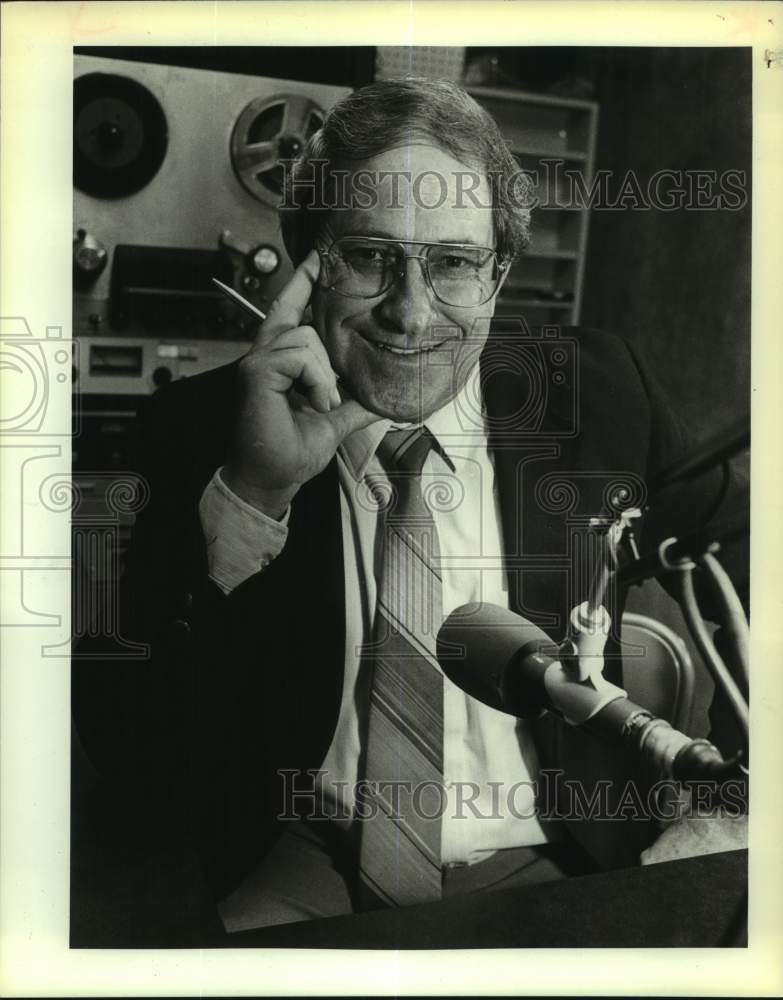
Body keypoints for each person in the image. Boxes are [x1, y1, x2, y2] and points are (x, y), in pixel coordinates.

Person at [72, 78, 748, 939]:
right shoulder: (202, 428)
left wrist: (733, 806)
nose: (410, 311)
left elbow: (755, 552)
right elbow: (125, 745)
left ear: (499, 276)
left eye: (456, 263)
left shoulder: (599, 393)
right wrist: (251, 496)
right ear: (306, 265)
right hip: (296, 855)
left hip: (561, 855)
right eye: (368, 256)